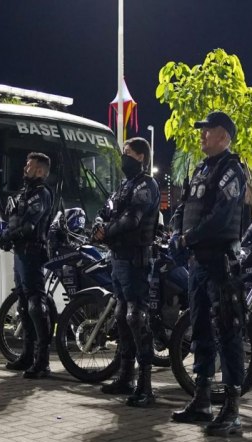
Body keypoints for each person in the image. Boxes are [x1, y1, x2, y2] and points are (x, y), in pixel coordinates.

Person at [169, 111, 247, 436]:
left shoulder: (232, 170)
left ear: (224, 137)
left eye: (208, 131)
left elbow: (220, 217)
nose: (202, 135)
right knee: (199, 329)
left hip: (220, 263)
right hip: (198, 263)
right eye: (202, 131)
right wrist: (175, 231)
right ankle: (201, 400)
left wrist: (189, 237)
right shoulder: (201, 169)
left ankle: (232, 410)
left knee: (227, 331)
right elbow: (182, 206)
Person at [93, 137, 160, 407]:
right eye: (124, 153)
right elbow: (105, 210)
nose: (124, 158)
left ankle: (145, 386)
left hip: (136, 259)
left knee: (136, 317)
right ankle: (126, 376)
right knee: (121, 316)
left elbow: (133, 219)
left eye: (129, 153)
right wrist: (98, 224)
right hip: (118, 257)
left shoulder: (146, 186)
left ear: (142, 157)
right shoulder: (125, 186)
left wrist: (106, 231)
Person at [0, 153, 54, 379]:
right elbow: (13, 219)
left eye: (29, 165)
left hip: (32, 253)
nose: (25, 168)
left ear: (40, 171)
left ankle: (43, 361)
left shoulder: (41, 194)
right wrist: (6, 236)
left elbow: (29, 225)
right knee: (23, 305)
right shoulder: (24, 193)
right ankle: (27, 355)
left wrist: (10, 235)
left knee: (35, 306)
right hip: (20, 254)